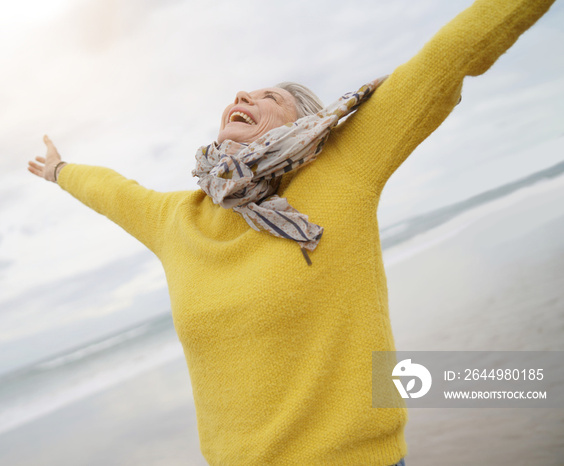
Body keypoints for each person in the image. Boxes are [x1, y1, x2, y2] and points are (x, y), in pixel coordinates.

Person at [27, 0, 555, 464]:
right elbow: (115, 191)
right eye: (243, 94)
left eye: (270, 98)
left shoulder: (342, 168)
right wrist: (60, 170)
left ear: (306, 128)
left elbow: (449, 56)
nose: (244, 95)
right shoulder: (177, 220)